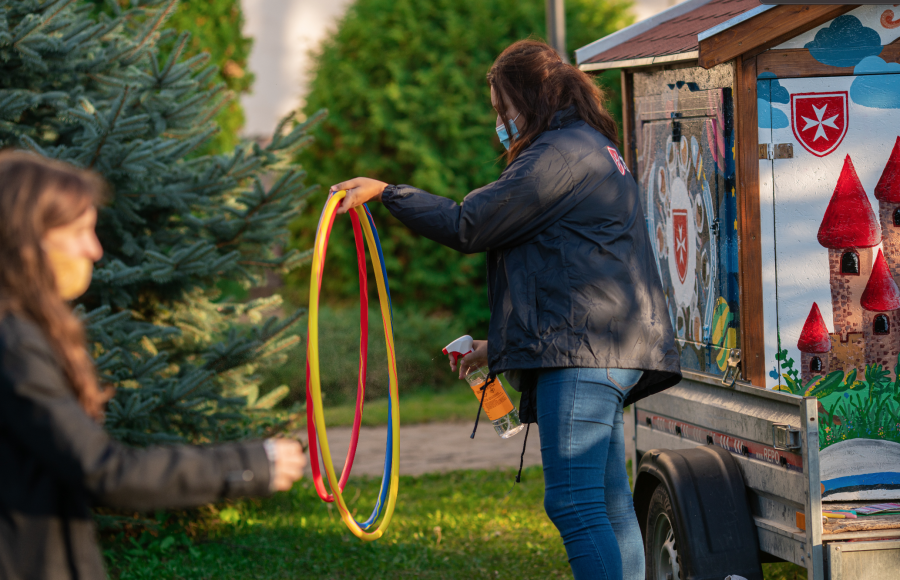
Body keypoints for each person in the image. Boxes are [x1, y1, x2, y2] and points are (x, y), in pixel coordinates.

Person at [330, 40, 681, 580]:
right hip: (605, 348)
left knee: (574, 506)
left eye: (503, 109)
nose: (501, 122)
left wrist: (388, 193)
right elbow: (575, 271)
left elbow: (470, 223)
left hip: (586, 357)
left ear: (529, 98)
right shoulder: (591, 146)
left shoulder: (558, 154)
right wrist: (499, 347)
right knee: (608, 507)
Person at [0, 151, 307, 580]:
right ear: (28, 240)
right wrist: (253, 462)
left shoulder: (20, 332)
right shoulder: (13, 344)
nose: (95, 248)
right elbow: (105, 470)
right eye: (79, 232)